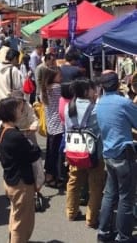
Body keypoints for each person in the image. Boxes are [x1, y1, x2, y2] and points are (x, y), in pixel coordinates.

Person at [96, 71, 137, 243]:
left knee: (110, 194)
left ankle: (104, 232)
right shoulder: (123, 103)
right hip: (123, 153)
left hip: (108, 153)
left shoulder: (100, 103)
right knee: (126, 198)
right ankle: (124, 237)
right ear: (117, 84)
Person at [0, 97, 41, 243]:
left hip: (10, 180)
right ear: (11, 113)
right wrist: (32, 145)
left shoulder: (4, 131)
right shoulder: (15, 136)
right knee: (22, 222)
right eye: (18, 109)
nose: (20, 111)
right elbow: (33, 153)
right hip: (20, 183)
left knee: (15, 215)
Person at [64, 78, 105, 227]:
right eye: (93, 89)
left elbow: (67, 129)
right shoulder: (96, 109)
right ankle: (91, 218)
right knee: (95, 185)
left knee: (74, 182)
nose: (95, 91)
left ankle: (71, 212)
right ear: (87, 91)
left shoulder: (68, 107)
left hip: (74, 151)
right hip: (94, 153)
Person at [0, 49, 22, 161]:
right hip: (9, 104)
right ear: (14, 58)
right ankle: (10, 151)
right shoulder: (13, 70)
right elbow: (18, 88)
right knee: (10, 128)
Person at [41, 66, 64, 188]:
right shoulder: (56, 88)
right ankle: (51, 176)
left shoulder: (44, 88)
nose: (62, 77)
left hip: (50, 124)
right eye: (59, 75)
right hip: (58, 125)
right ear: (52, 76)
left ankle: (48, 174)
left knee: (51, 152)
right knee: (55, 153)